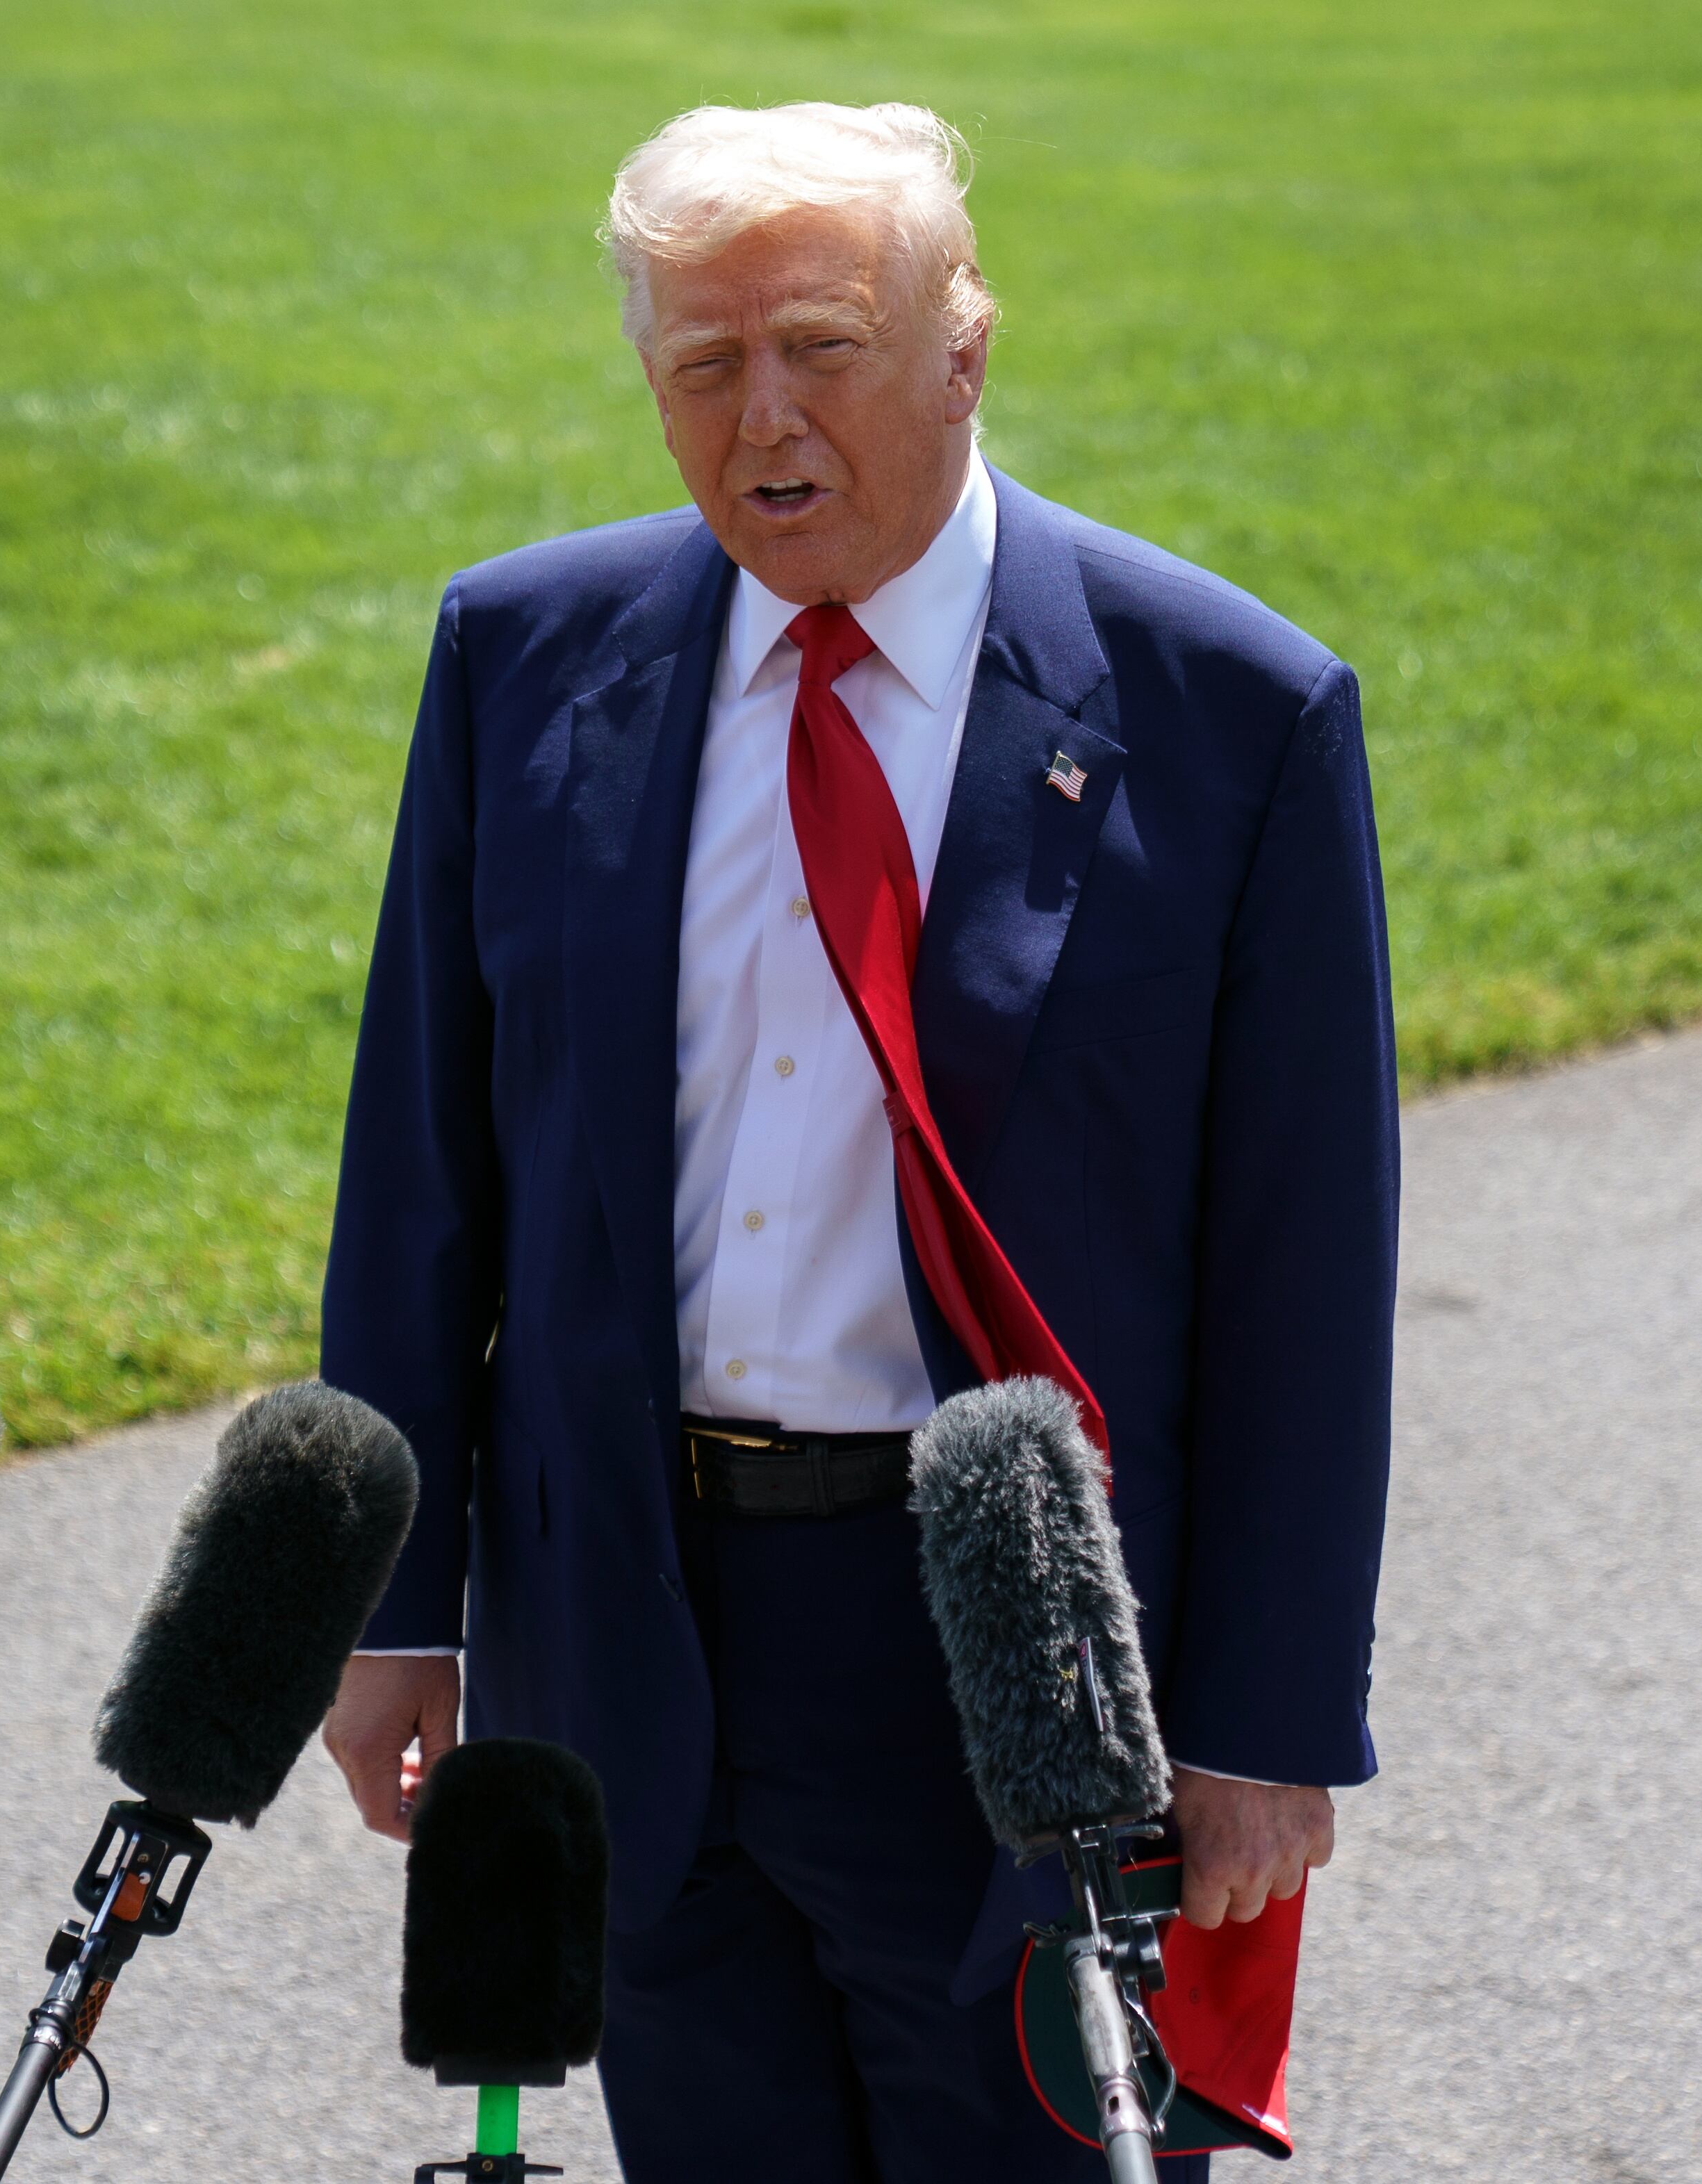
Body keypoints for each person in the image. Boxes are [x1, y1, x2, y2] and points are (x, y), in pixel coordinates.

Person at [317, 100, 1396, 2180]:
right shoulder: (521, 658)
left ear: (962, 347)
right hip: (624, 1634)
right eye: (703, 368)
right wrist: (396, 1604)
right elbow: (423, 1175)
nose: (764, 419)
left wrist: (1263, 1727)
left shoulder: (1226, 713)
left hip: (1002, 1661)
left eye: (820, 346)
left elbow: (1301, 1269)